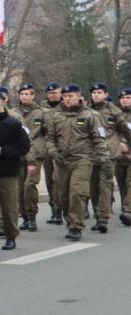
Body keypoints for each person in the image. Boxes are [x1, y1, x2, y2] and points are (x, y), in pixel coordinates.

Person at [45, 84, 108, 241]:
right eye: (65, 96)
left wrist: (104, 160)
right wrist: (53, 152)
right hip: (63, 161)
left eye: (70, 96)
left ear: (79, 97)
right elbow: (49, 138)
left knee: (77, 193)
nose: (67, 99)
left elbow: (99, 139)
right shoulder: (56, 116)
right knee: (64, 195)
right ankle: (70, 221)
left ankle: (76, 226)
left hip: (82, 159)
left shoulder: (91, 116)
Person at [0, 91, 31, 251]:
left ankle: (11, 237)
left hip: (8, 172)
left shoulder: (14, 123)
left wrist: (2, 151)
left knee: (9, 208)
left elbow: (24, 147)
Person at [88, 83, 131, 233]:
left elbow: (126, 131)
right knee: (93, 189)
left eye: (99, 92)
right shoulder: (87, 111)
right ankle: (97, 215)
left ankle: (103, 219)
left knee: (105, 186)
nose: (96, 95)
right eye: (94, 92)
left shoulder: (114, 111)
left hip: (109, 155)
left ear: (106, 94)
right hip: (91, 155)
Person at [16, 84, 48, 232]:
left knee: (30, 185)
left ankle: (32, 216)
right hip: (18, 155)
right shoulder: (14, 113)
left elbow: (48, 133)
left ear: (33, 95)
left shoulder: (40, 113)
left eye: (27, 94)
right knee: (19, 188)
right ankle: (25, 218)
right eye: (22, 94)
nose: (24, 97)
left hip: (35, 155)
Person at [41, 81, 64, 224]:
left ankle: (61, 208)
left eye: (54, 93)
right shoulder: (41, 109)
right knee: (50, 180)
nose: (51, 95)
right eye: (49, 93)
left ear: (60, 93)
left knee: (59, 180)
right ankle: (54, 210)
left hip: (64, 149)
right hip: (47, 149)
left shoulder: (66, 106)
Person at [115, 88, 131, 226]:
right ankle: (125, 207)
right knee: (122, 183)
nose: (125, 100)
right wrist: (118, 143)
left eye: (128, 97)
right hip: (119, 155)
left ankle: (128, 210)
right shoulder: (115, 114)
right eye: (122, 98)